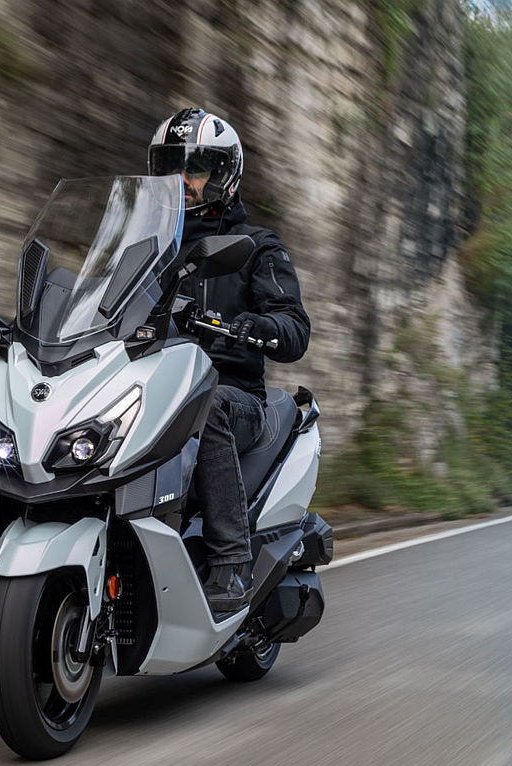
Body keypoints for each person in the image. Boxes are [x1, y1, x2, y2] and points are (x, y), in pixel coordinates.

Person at [147, 108, 311, 611]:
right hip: (152, 385)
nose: (182, 179)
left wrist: (254, 326)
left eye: (195, 167)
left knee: (206, 405)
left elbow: (294, 328)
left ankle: (231, 562)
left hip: (234, 396)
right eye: (171, 167)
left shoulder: (257, 246)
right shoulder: (147, 246)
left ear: (224, 174)